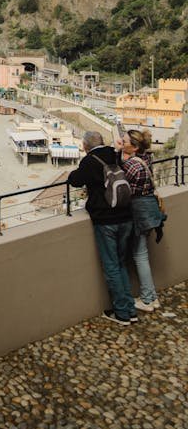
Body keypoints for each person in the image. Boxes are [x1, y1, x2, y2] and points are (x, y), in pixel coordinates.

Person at [67, 130, 137, 325]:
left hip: (106, 219)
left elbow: (75, 180)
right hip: (126, 214)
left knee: (112, 266)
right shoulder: (115, 154)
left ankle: (122, 313)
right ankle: (130, 309)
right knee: (122, 263)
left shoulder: (89, 161)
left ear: (85, 145)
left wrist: (74, 171)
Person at [119, 127, 166, 312]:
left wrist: (119, 156)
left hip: (139, 212)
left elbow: (121, 184)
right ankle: (151, 296)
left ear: (134, 147)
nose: (121, 143)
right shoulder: (146, 158)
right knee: (143, 254)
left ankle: (147, 299)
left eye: (124, 142)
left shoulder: (132, 165)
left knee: (140, 256)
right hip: (149, 210)